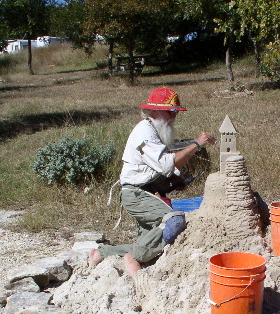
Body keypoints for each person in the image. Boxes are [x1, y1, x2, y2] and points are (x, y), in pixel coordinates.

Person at [88, 87, 216, 275]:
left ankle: (106, 254)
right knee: (174, 220)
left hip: (147, 192)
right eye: (169, 111)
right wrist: (196, 145)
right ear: (154, 111)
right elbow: (165, 164)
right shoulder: (145, 132)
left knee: (150, 245)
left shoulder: (153, 130)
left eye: (175, 112)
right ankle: (125, 256)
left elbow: (154, 168)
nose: (173, 116)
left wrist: (173, 179)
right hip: (137, 195)